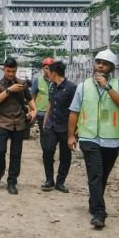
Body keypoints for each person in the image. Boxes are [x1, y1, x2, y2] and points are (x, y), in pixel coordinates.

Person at [68, 49, 119, 229]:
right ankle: (99, 213)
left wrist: (107, 87)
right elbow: (74, 112)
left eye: (105, 63)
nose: (100, 65)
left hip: (111, 139)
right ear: (94, 64)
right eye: (98, 62)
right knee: (95, 174)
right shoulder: (83, 86)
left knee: (102, 176)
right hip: (88, 138)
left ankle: (93, 202)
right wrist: (71, 135)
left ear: (111, 67)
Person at [0, 57, 36, 195]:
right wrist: (9, 90)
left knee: (16, 154)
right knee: (0, 151)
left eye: (13, 71)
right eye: (8, 71)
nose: (11, 74)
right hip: (2, 122)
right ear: (3, 69)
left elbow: (30, 99)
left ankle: (12, 182)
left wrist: (34, 110)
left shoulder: (22, 84)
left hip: (19, 123)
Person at [40, 60, 77, 192]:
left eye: (48, 71)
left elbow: (76, 110)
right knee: (47, 151)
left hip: (65, 127)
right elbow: (50, 104)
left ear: (54, 73)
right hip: (51, 125)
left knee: (65, 156)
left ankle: (60, 182)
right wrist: (45, 122)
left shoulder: (72, 88)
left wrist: (73, 133)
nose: (47, 74)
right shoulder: (52, 86)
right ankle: (49, 180)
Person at [31, 57, 55, 134]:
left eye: (51, 68)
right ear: (43, 68)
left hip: (53, 113)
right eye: (46, 68)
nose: (48, 70)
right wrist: (32, 112)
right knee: (44, 133)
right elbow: (32, 98)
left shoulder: (56, 81)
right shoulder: (37, 81)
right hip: (41, 113)